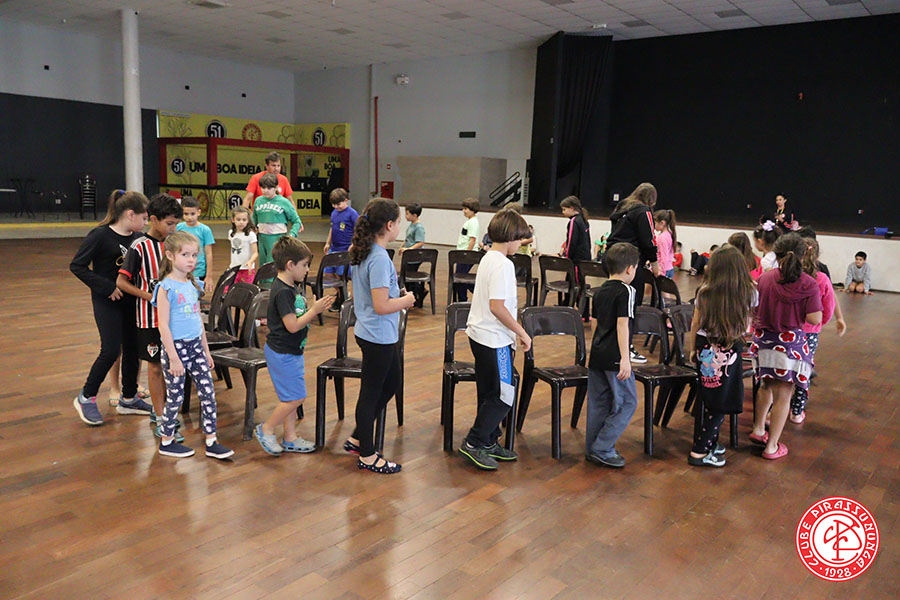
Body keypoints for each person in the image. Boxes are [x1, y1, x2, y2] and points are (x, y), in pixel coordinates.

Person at [343, 198, 416, 474]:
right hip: (377, 336)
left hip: (375, 332)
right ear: (388, 225)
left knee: (391, 383)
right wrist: (407, 300)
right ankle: (367, 454)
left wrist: (397, 295)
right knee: (371, 394)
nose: (399, 227)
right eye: (398, 223)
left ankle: (357, 438)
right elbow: (381, 305)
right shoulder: (378, 258)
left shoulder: (364, 251)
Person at [70, 190, 152, 425]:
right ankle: (86, 397)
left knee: (133, 348)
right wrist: (107, 287)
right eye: (144, 218)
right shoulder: (100, 235)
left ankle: (129, 398)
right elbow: (77, 266)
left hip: (130, 301)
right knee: (111, 350)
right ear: (130, 214)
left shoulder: (139, 238)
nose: (145, 223)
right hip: (107, 300)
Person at [459, 209, 532, 470]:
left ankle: (489, 440)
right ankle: (474, 442)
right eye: (519, 239)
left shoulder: (489, 257)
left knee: (489, 392)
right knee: (504, 395)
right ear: (510, 237)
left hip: (480, 336)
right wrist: (522, 332)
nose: (520, 243)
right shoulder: (503, 264)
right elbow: (497, 307)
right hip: (495, 340)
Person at [152, 232, 233, 459]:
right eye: (185, 255)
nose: (191, 260)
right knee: (175, 397)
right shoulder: (166, 287)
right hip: (175, 350)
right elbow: (163, 326)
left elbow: (197, 321)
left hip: (196, 347)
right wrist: (173, 357)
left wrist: (206, 351)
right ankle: (167, 440)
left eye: (194, 255)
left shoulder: (192, 284)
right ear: (170, 256)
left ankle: (211, 440)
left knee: (208, 394)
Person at [254, 237, 335, 456]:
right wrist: (314, 311)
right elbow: (292, 326)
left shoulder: (290, 287)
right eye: (305, 265)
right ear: (290, 265)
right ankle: (266, 428)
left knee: (290, 396)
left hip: (291, 351)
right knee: (296, 398)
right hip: (282, 353)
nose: (307, 270)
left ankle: (290, 437)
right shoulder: (283, 291)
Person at [749, 233, 823, 460]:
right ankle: (771, 446)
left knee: (765, 385)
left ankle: (758, 429)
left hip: (763, 341)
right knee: (783, 394)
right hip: (789, 346)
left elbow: (755, 308)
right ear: (803, 255)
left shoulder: (765, 278)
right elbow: (814, 318)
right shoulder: (809, 283)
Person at [117, 193, 184, 440]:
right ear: (153, 219)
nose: (173, 228)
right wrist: (149, 296)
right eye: (169, 223)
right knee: (155, 367)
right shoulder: (139, 247)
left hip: (173, 319)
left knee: (171, 366)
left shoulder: (174, 245)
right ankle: (160, 416)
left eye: (176, 223)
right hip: (149, 319)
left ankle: (167, 411)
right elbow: (121, 282)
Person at [685, 245, 756, 467]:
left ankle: (710, 442)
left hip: (705, 346)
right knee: (722, 400)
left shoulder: (704, 292)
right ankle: (700, 451)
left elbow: (695, 324)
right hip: (730, 346)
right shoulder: (749, 292)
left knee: (710, 395)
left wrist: (692, 349)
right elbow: (749, 323)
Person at [585, 242, 640, 469]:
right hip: (615, 357)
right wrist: (625, 358)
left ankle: (593, 448)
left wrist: (595, 348)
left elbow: (595, 323)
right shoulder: (627, 291)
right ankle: (603, 448)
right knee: (628, 402)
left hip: (598, 354)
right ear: (630, 269)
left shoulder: (599, 291)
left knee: (599, 403)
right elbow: (622, 324)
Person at [790, 239, 846, 423]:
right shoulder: (821, 279)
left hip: (788, 329)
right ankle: (797, 411)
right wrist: (819, 324)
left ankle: (774, 409)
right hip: (810, 332)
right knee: (803, 369)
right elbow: (828, 308)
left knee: (784, 368)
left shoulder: (788, 276)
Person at [605, 183, 659, 364]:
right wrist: (655, 263)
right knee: (629, 306)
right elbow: (649, 240)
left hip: (612, 257)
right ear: (651, 199)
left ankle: (611, 344)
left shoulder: (622, 207)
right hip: (629, 262)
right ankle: (626, 348)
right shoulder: (643, 211)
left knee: (613, 303)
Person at [252, 172, 302, 268]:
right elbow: (254, 220)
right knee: (263, 267)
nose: (265, 190)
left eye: (269, 188)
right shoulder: (258, 201)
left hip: (277, 239)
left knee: (274, 267)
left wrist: (291, 235)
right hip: (262, 239)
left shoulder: (284, 202)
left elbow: (296, 221)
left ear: (276, 188)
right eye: (263, 187)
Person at [560, 196, 592, 317]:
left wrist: (567, 257)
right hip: (583, 258)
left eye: (564, 209)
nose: (563, 212)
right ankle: (566, 305)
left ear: (572, 208)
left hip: (576, 260)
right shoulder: (583, 220)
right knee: (572, 282)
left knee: (577, 285)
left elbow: (571, 241)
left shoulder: (574, 221)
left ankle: (582, 312)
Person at [176, 196, 214, 284]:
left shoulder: (205, 230)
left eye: (192, 214)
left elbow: (208, 253)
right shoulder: (178, 228)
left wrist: (209, 276)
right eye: (186, 214)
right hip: (181, 270)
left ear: (198, 212)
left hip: (199, 271)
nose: (189, 217)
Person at [323, 188, 359, 279]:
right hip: (334, 248)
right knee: (327, 273)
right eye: (333, 204)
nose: (336, 206)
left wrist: (354, 244)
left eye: (338, 204)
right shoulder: (334, 213)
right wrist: (328, 243)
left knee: (341, 274)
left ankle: (342, 288)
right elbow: (332, 228)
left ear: (346, 200)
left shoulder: (352, 214)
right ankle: (339, 288)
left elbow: (359, 230)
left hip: (345, 248)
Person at [398, 202, 427, 308]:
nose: (406, 216)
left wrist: (409, 249)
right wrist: (402, 246)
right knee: (406, 276)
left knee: (408, 276)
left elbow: (420, 242)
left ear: (414, 215)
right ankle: (416, 294)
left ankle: (418, 292)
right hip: (409, 255)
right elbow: (409, 238)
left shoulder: (419, 227)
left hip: (415, 256)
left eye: (407, 214)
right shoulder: (411, 225)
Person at [453, 198, 481, 302]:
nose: (464, 211)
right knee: (460, 278)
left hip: (467, 255)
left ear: (473, 210)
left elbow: (472, 240)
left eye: (466, 209)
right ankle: (463, 299)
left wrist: (467, 253)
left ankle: (464, 299)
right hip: (463, 254)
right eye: (463, 208)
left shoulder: (473, 223)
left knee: (461, 279)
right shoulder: (470, 222)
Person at [228, 206, 258, 285]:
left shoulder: (251, 235)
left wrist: (250, 262)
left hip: (246, 269)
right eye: (238, 219)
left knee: (245, 289)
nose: (241, 222)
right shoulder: (231, 233)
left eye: (244, 220)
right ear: (233, 220)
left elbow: (255, 253)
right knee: (231, 288)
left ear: (248, 220)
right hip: (234, 268)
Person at [653, 209, 677, 278]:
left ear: (662, 223)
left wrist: (661, 273)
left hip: (663, 270)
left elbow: (664, 258)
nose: (653, 225)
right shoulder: (669, 234)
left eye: (655, 223)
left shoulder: (662, 238)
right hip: (669, 268)